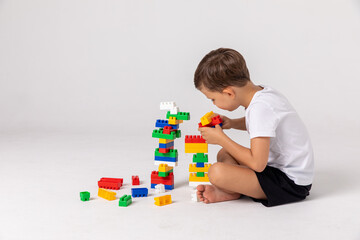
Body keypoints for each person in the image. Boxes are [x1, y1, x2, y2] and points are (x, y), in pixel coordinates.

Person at [194, 48, 314, 207]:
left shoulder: (260, 109)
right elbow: (262, 124)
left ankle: (232, 190)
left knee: (217, 172)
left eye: (213, 99)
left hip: (291, 184)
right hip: (277, 169)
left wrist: (221, 139)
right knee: (225, 154)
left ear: (229, 93)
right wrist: (232, 123)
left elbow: (258, 164)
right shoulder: (263, 94)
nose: (214, 104)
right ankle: (234, 189)